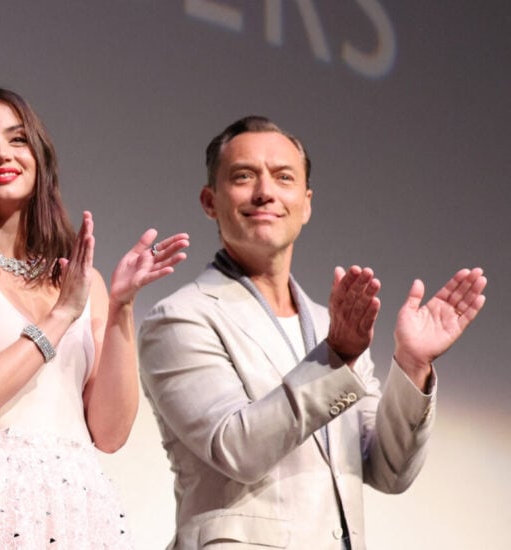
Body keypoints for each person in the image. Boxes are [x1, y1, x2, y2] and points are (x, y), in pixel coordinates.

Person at [138, 116, 488, 549]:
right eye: (244, 176)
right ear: (210, 201)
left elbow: (389, 470)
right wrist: (337, 355)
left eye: (283, 177)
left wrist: (412, 367)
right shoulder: (178, 318)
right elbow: (237, 449)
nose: (265, 192)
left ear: (305, 204)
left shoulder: (329, 324)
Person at [0, 88, 190, 549]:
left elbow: (110, 434)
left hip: (77, 508)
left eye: (18, 139)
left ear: (39, 156)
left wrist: (121, 308)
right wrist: (60, 317)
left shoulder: (81, 281)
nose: (2, 153)